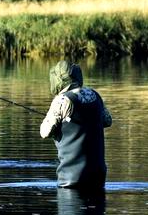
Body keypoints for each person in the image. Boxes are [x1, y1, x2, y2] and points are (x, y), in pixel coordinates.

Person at [40, 60, 112, 188]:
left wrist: (52, 120)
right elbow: (107, 121)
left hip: (71, 179)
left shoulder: (62, 100)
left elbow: (45, 132)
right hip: (98, 178)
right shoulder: (95, 95)